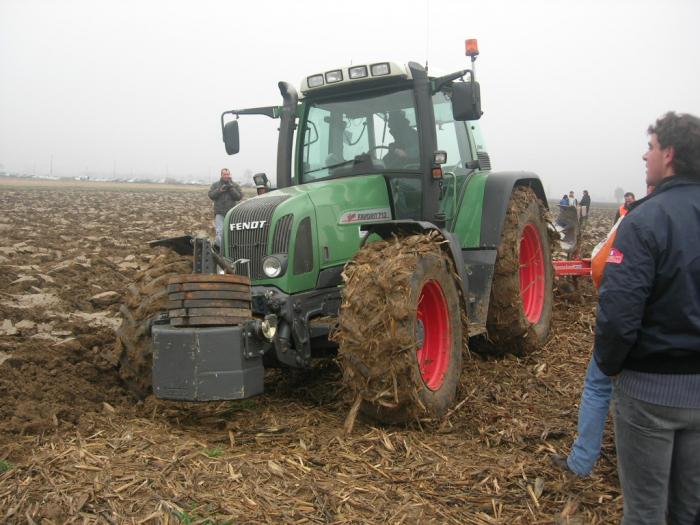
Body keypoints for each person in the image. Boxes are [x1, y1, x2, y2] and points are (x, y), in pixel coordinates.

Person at [594, 112, 700, 524]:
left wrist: (613, 367)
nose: (644, 155)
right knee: (688, 510)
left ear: (669, 154)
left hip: (650, 394)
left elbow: (619, 313)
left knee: (644, 511)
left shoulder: (645, 219)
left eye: (651, 147)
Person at [208, 168, 243, 246]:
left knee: (232, 232)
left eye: (227, 174)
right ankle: (221, 251)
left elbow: (239, 197)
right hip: (219, 212)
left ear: (229, 175)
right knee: (219, 232)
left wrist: (231, 188)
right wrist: (219, 190)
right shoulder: (215, 185)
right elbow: (211, 195)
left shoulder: (235, 185)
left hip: (232, 213)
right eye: (224, 174)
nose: (226, 176)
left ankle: (231, 248)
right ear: (221, 175)